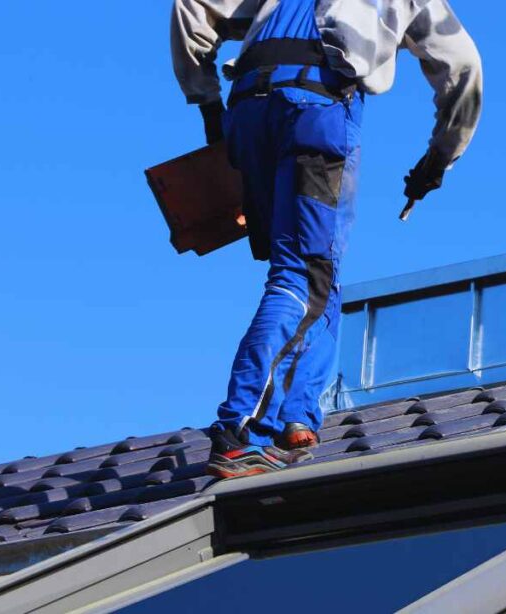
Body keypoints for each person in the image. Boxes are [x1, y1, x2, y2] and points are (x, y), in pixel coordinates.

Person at [170, 0, 483, 479]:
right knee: (302, 275)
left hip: (249, 110)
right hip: (315, 105)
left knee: (320, 267)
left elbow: (192, 5)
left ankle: (296, 415)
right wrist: (440, 158)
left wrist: (209, 104)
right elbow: (463, 69)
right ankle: (241, 431)